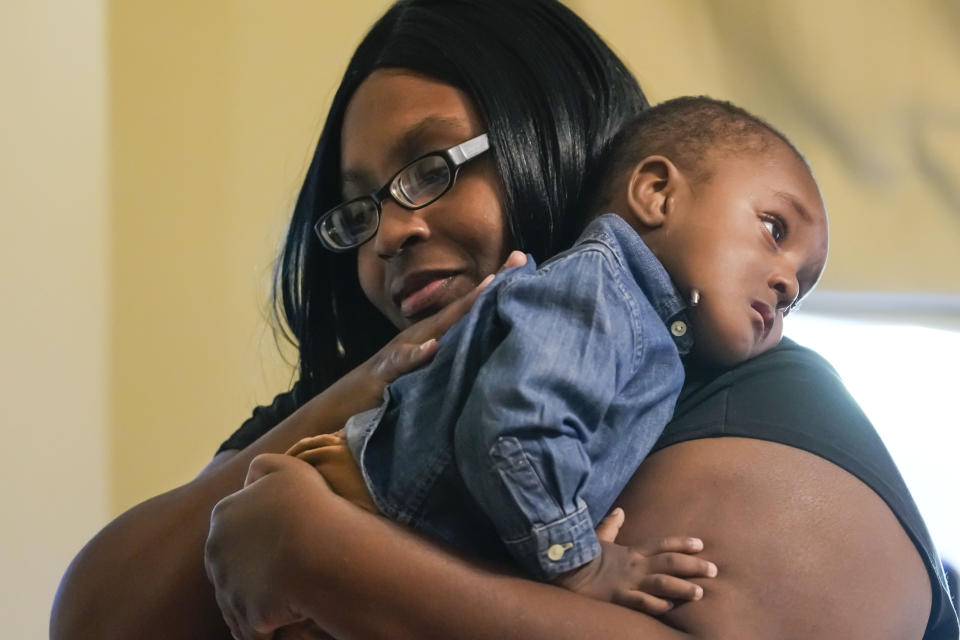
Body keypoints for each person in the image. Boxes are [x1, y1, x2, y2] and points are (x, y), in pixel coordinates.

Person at [50, 1, 959, 639]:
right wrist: (373, 382)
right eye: (361, 209)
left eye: (432, 167)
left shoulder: (745, 386)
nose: (395, 231)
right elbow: (94, 618)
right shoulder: (372, 410)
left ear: (561, 140)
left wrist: (321, 556)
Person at [286, 96, 828, 610]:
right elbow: (510, 432)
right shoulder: (601, 291)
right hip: (358, 502)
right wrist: (578, 561)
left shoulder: (650, 330)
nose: (785, 285)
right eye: (774, 229)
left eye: (800, 291)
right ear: (657, 193)